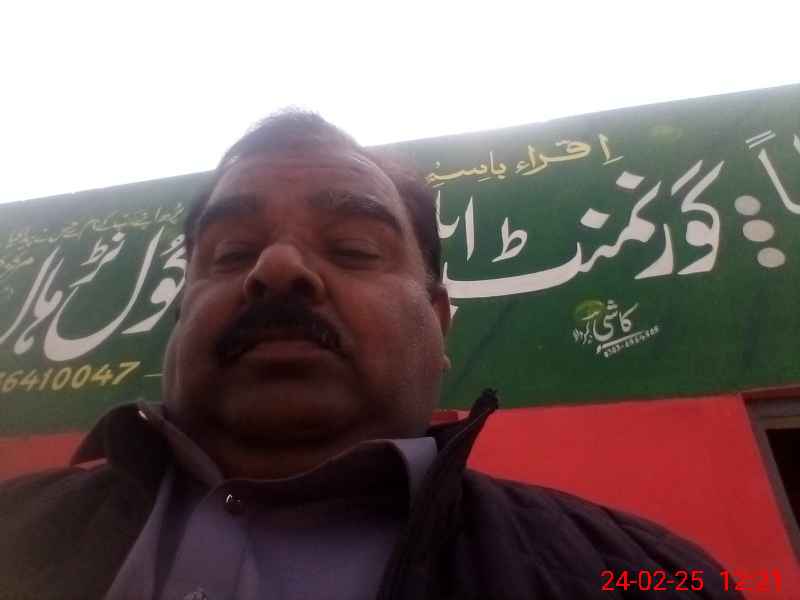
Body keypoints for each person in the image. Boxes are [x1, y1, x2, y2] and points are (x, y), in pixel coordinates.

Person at [0, 111, 742, 600]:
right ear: (178, 312)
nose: (278, 267)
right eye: (230, 253)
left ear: (439, 322)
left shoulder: (645, 577)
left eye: (353, 248)